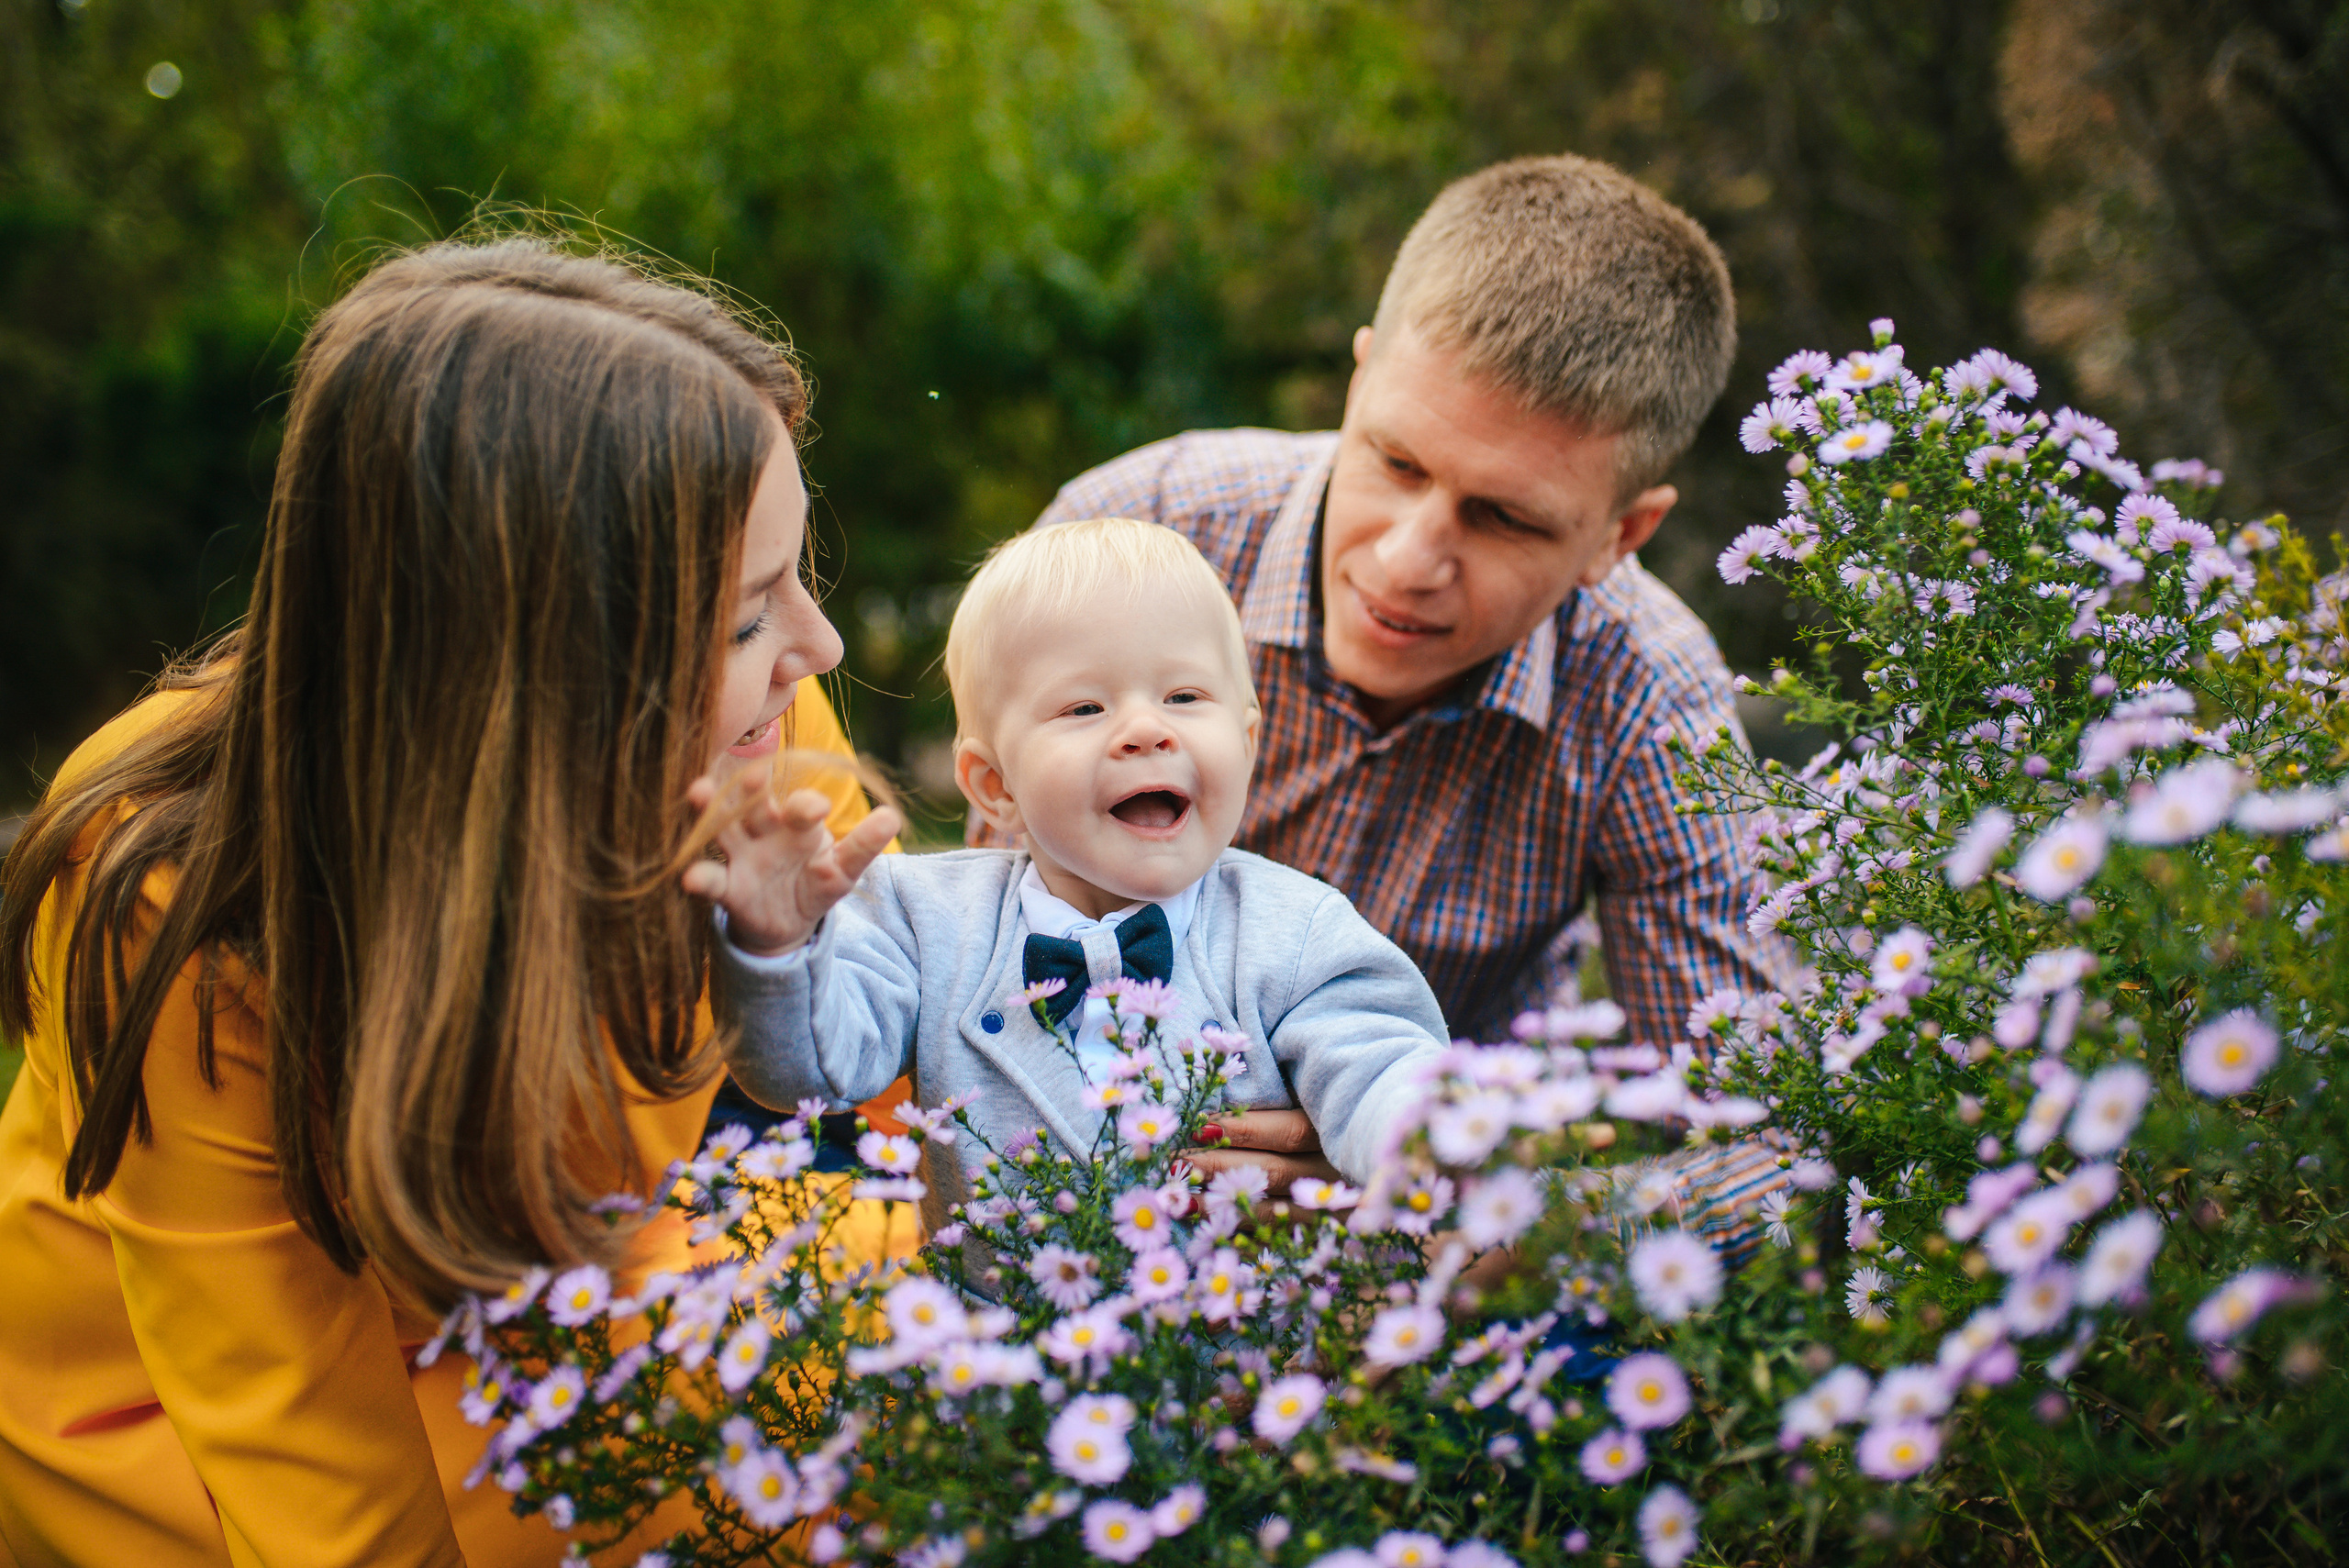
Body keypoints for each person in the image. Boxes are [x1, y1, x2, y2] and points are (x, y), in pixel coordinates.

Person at [0, 238, 896, 1566]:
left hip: (569, 1302)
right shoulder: (178, 891)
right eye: (750, 615)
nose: (817, 648)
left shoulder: (746, 732)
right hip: (205, 1425)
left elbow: (886, 1096)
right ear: (541, 668)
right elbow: (324, 1493)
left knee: (952, 1352)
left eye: (797, 575)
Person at [992, 154, 1796, 1254]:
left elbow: (1768, 1153)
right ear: (1359, 377)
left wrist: (1460, 1204)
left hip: (1420, 1265)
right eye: (1396, 460)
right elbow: (983, 949)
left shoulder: (1650, 698)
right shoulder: (1138, 535)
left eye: (1504, 518)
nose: (1408, 561)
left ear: (1622, 534)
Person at [697, 518, 1451, 1237]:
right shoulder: (926, 920)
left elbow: (1380, 1065)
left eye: (1184, 697)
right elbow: (809, 1073)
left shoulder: (1295, 933)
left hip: (1244, 1359)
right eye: (1085, 706)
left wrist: (1432, 1144)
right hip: (999, 1355)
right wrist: (774, 950)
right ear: (995, 786)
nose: (1147, 729)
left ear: (1248, 742)